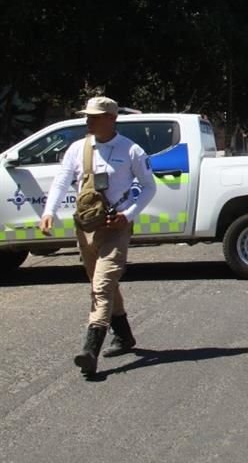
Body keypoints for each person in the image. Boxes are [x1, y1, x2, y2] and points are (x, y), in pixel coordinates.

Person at [40, 96, 157, 376]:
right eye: (87, 115)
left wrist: (127, 216)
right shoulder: (77, 149)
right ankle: (125, 335)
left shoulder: (131, 151)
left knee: (102, 285)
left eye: (94, 116)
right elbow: (61, 181)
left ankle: (89, 350)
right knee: (101, 282)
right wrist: (49, 211)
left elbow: (149, 187)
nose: (88, 120)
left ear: (111, 118)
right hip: (86, 227)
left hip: (115, 229)